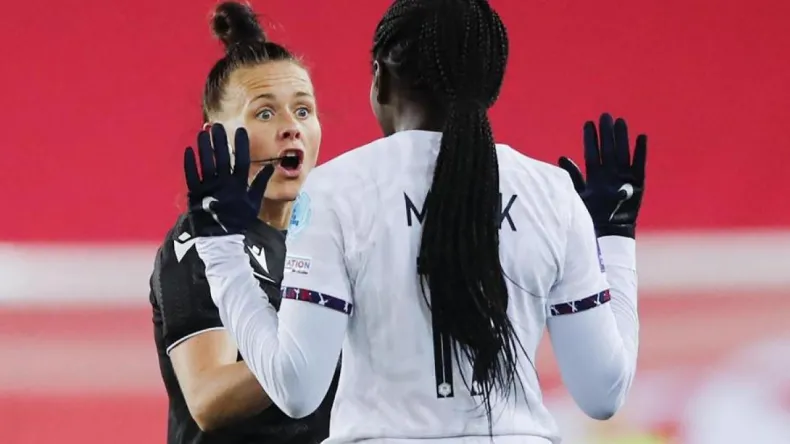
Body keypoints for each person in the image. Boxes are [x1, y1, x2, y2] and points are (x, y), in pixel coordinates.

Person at [186, 0, 645, 442]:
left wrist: (221, 251)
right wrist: (615, 238)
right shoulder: (553, 193)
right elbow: (602, 392)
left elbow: (296, 388)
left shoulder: (335, 190)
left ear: (381, 79)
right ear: (491, 83)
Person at [148, 2, 335, 443]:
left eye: (303, 111)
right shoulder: (200, 242)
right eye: (264, 114)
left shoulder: (332, 233)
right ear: (215, 136)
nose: (291, 127)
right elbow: (208, 399)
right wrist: (326, 347)